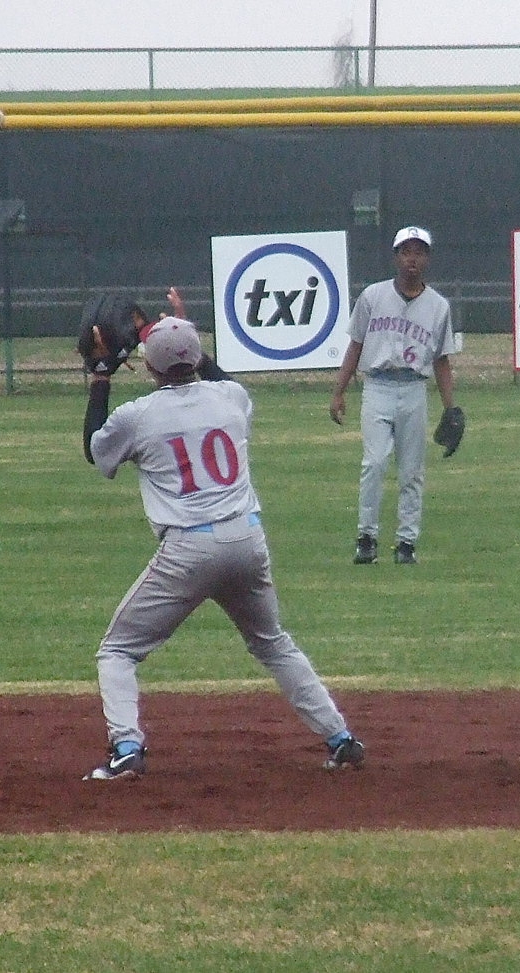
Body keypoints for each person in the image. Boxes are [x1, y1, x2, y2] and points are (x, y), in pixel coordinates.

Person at [80, 294, 364, 781]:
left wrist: (102, 376)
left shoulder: (139, 415)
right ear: (198, 357)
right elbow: (213, 375)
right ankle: (340, 738)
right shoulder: (232, 397)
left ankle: (127, 748)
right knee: (274, 644)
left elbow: (95, 448)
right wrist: (181, 331)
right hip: (248, 540)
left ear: (150, 368)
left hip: (190, 549)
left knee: (118, 650)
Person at [329, 225, 459, 565]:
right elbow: (355, 345)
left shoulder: (438, 306)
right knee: (373, 463)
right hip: (377, 386)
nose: (411, 258)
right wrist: (339, 391)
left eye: (418, 251)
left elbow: (442, 359)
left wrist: (451, 408)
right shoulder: (373, 296)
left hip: (415, 388)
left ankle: (406, 543)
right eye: (405, 251)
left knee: (411, 471)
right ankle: (366, 538)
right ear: (395, 256)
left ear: (427, 259)